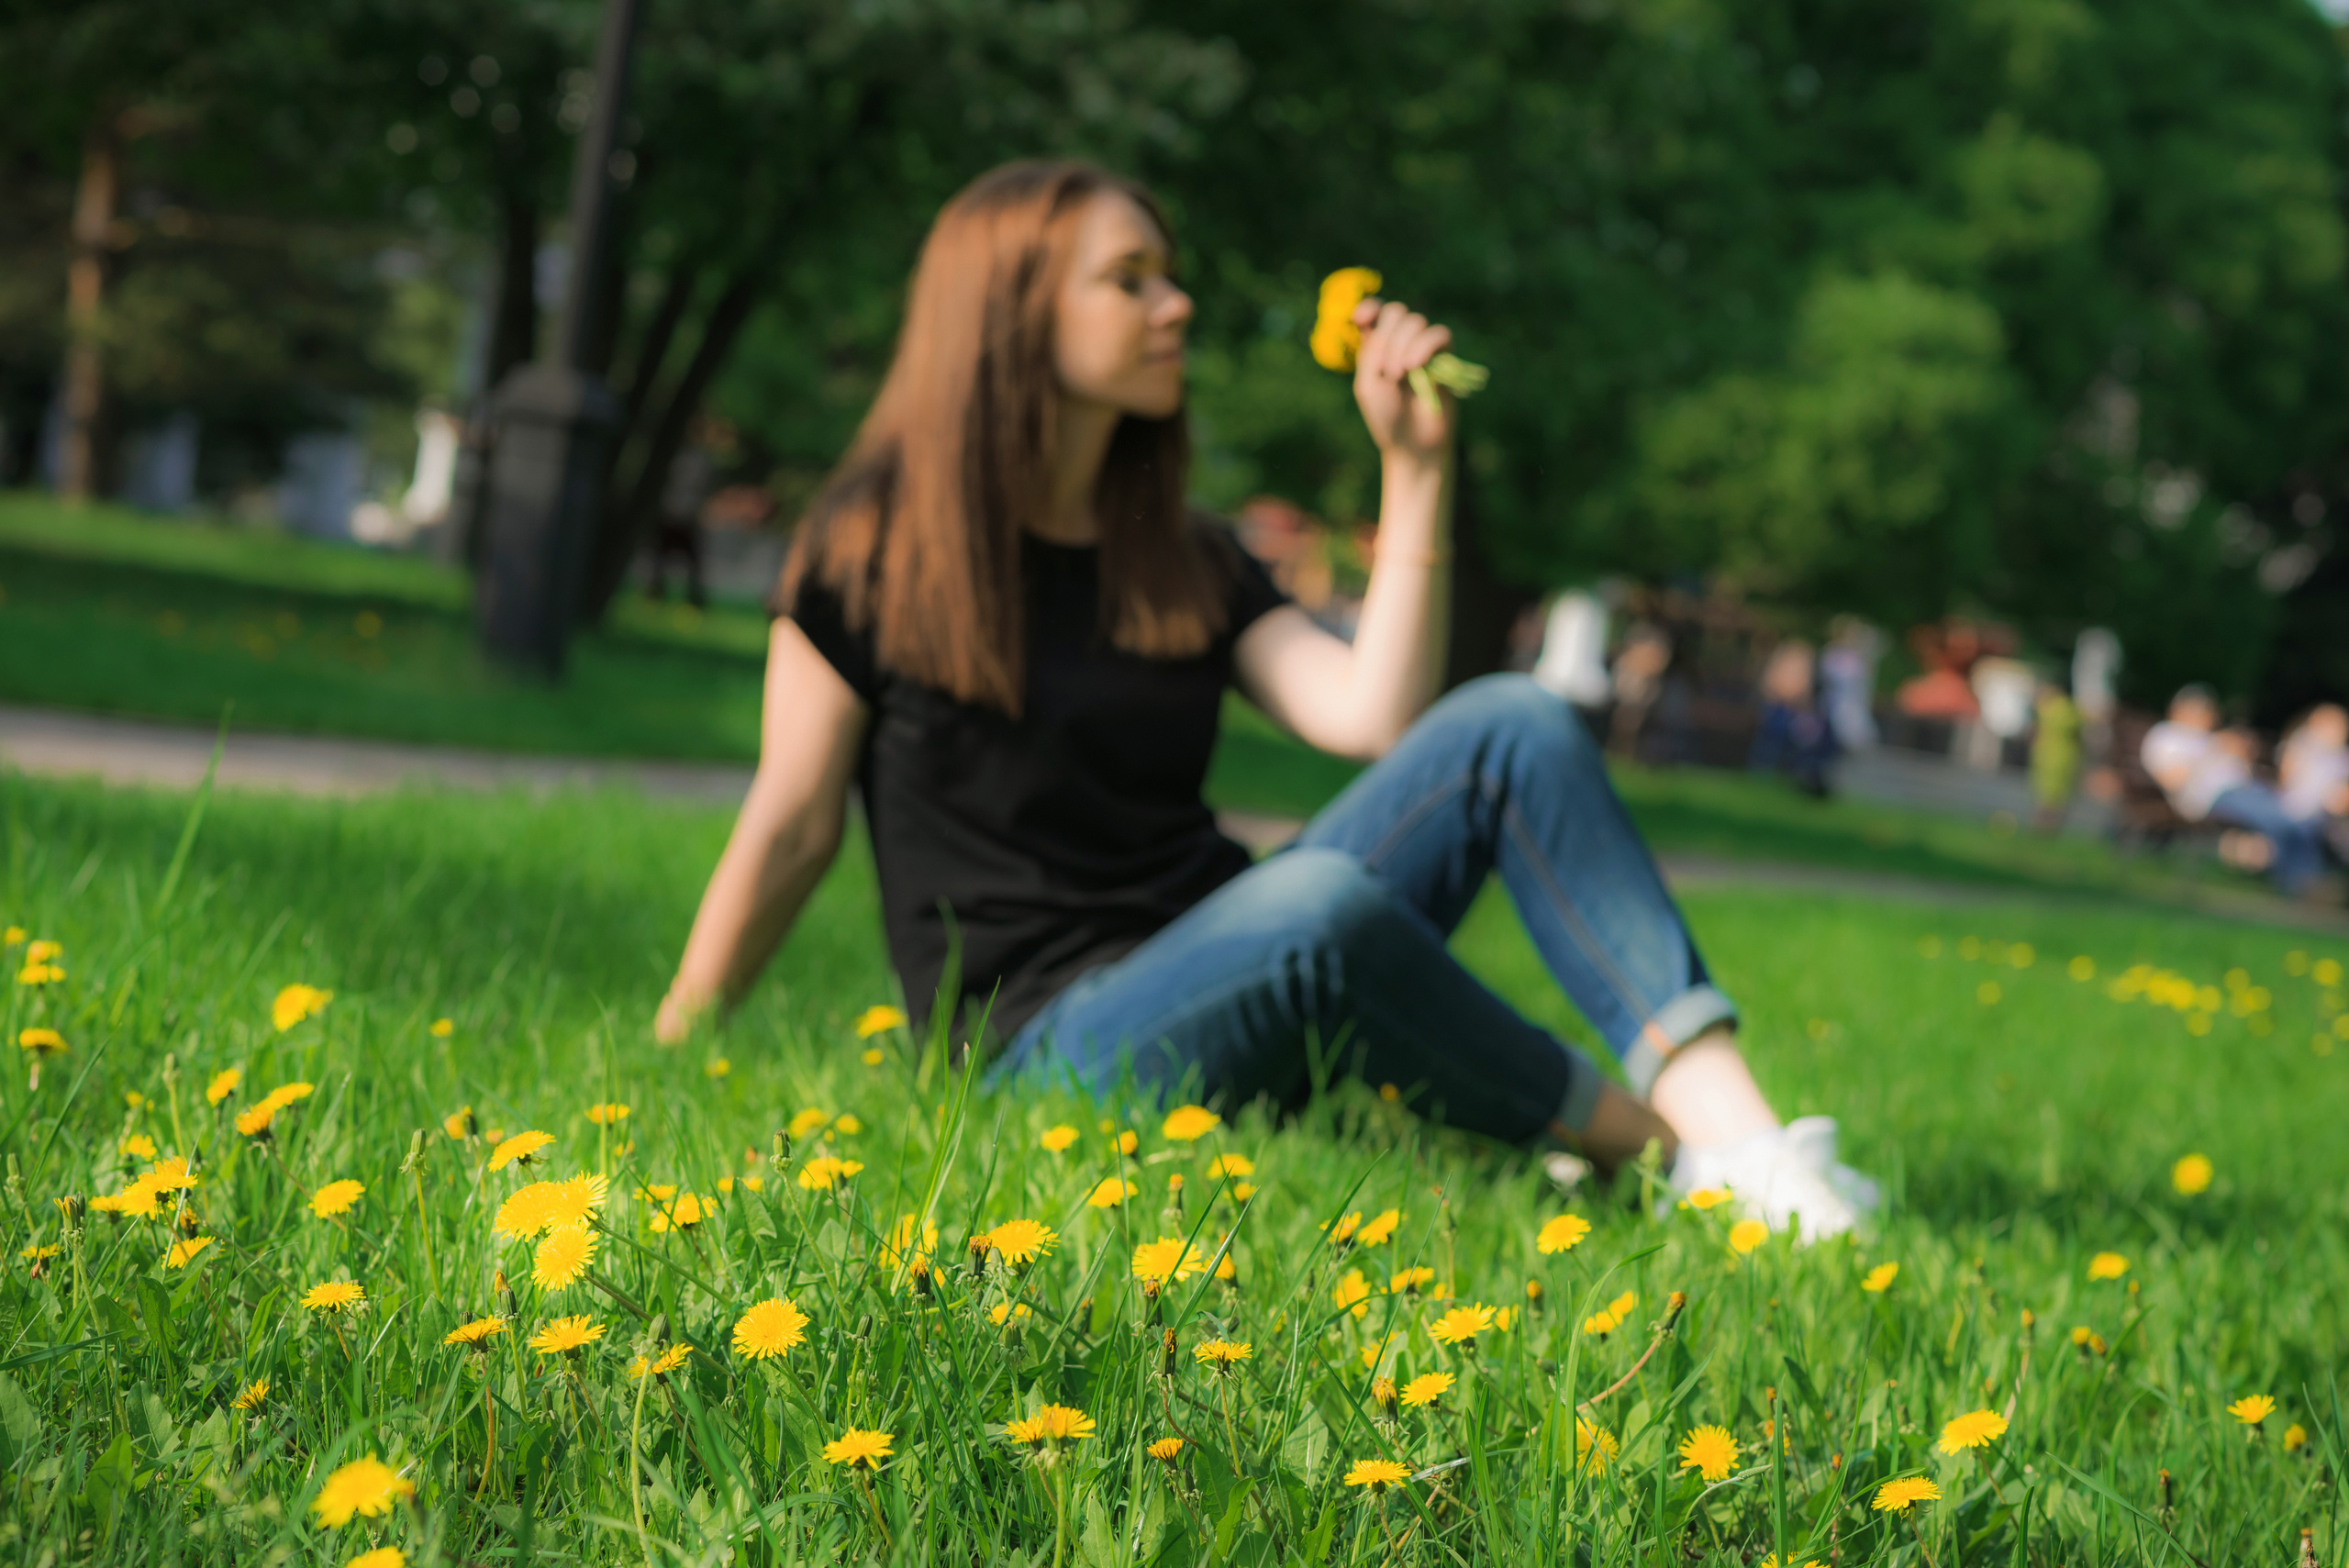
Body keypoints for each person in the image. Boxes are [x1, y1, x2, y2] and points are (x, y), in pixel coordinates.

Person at [656, 160, 1876, 1238]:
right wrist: (675, 1051)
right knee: (1311, 905)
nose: (1173, 305)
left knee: (1513, 721)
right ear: (1011, 310)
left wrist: (1412, 472)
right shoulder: (875, 554)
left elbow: (1371, 720)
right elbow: (794, 821)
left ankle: (1755, 1150)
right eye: (1127, 280)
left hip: (1251, 971)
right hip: (1047, 1053)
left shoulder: (1177, 552)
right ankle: (1668, 1155)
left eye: (1166, 276)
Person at [2142, 685, 2326, 895]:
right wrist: (2215, 749)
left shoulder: (2208, 738)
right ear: (2180, 709)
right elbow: (2173, 780)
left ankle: (2311, 881)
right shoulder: (2165, 737)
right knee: (2285, 820)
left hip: (2246, 788)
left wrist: (2240, 752)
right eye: (2203, 711)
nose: (2209, 716)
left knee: (2302, 818)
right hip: (2212, 796)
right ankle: (2302, 884)